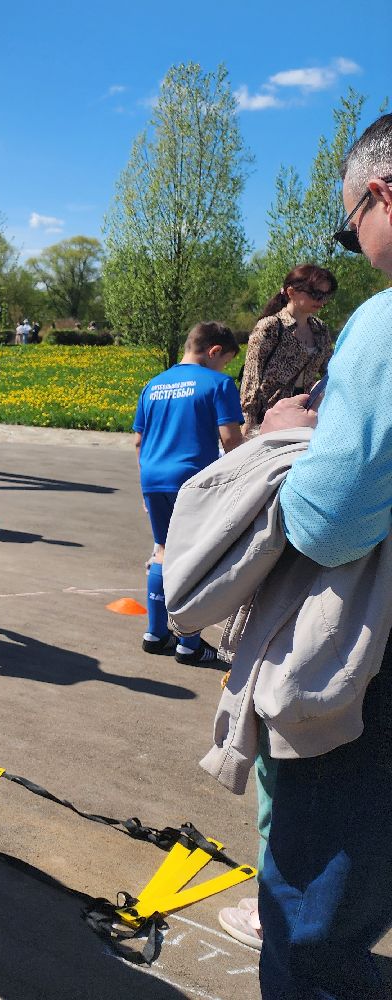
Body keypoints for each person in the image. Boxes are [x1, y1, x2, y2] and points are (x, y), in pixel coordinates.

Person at [253, 112, 392, 998]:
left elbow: (329, 521)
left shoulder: (384, 322)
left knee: (317, 941)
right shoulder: (278, 334)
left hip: (372, 669)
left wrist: (281, 444)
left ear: (378, 193)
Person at [133, 321, 244, 666]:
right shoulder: (219, 384)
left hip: (153, 478)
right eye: (225, 360)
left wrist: (147, 481)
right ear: (214, 351)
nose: (225, 368)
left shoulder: (153, 385)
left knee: (163, 549)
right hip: (193, 480)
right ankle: (189, 643)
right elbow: (229, 439)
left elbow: (138, 440)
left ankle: (155, 633)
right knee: (196, 557)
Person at [238, 264, 336, 435]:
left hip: (303, 417)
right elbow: (251, 376)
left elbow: (331, 372)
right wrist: (248, 420)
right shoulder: (270, 327)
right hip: (268, 419)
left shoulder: (321, 330)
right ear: (291, 292)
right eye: (315, 294)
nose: (322, 301)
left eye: (326, 295)